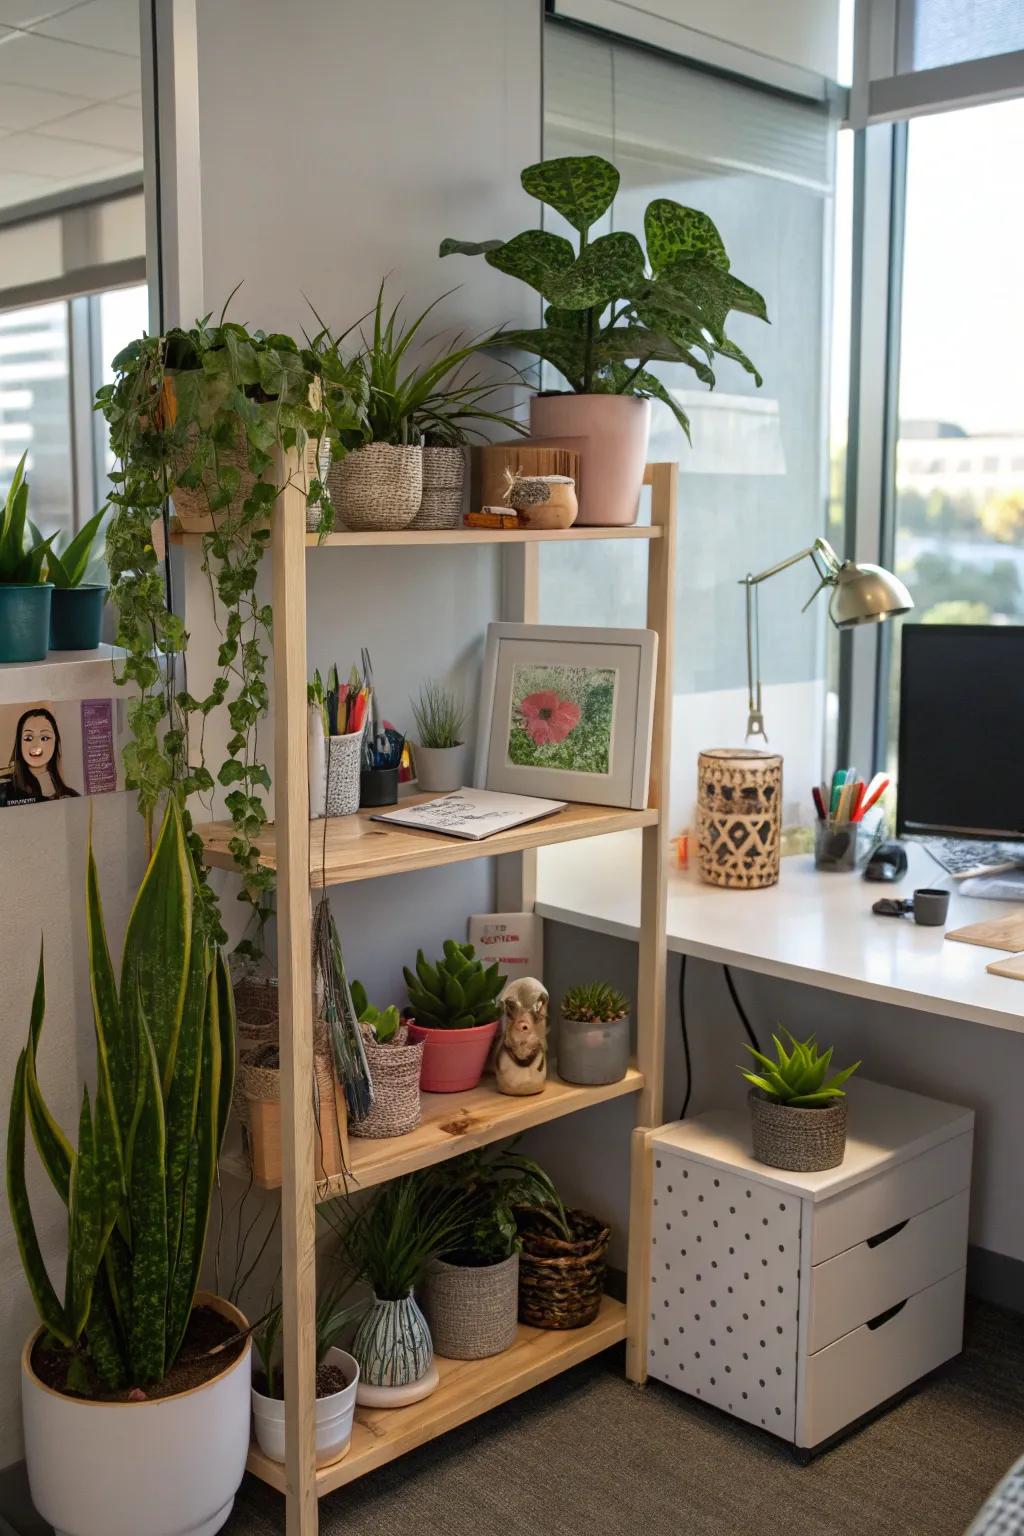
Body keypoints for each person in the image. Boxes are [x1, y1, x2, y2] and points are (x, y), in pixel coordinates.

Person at [0, 708, 79, 805]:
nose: (36, 745)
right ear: (19, 743)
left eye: (44, 738)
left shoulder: (72, 796)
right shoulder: (3, 789)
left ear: (55, 741)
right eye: (28, 738)